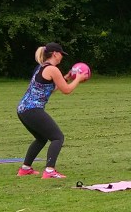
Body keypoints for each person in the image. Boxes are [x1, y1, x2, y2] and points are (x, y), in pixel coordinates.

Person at [16, 42, 90, 179]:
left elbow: (49, 88)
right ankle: (49, 171)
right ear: (55, 54)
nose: (62, 56)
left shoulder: (41, 67)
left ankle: (25, 169)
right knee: (57, 137)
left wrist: (66, 78)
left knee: (41, 138)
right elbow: (66, 90)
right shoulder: (53, 69)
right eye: (61, 54)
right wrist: (78, 79)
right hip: (32, 109)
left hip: (23, 109)